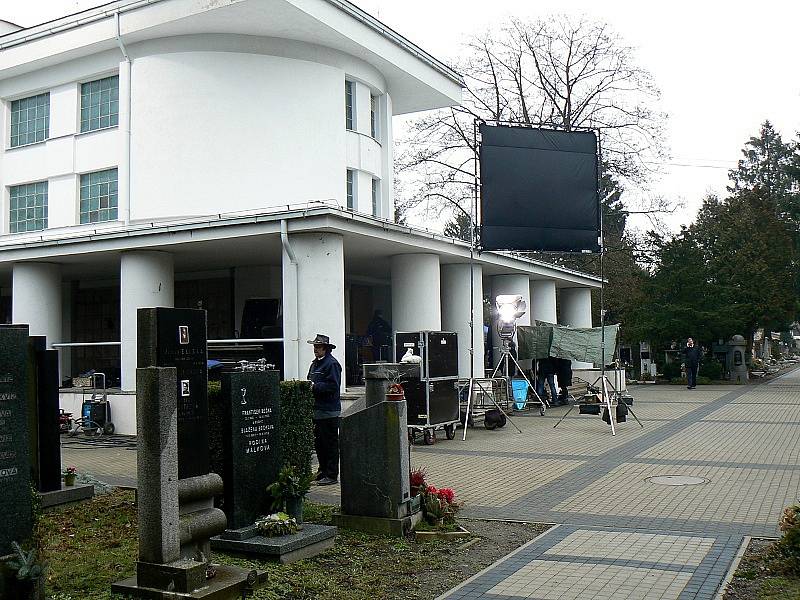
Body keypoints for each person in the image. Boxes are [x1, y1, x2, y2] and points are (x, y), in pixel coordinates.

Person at [306, 333, 342, 485]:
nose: (315, 349)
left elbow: (333, 386)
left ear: (325, 349)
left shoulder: (332, 364)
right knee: (319, 444)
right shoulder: (315, 364)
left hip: (329, 411)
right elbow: (309, 378)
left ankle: (332, 475)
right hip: (317, 410)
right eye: (314, 346)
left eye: (318, 347)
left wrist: (314, 387)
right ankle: (322, 471)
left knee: (330, 444)